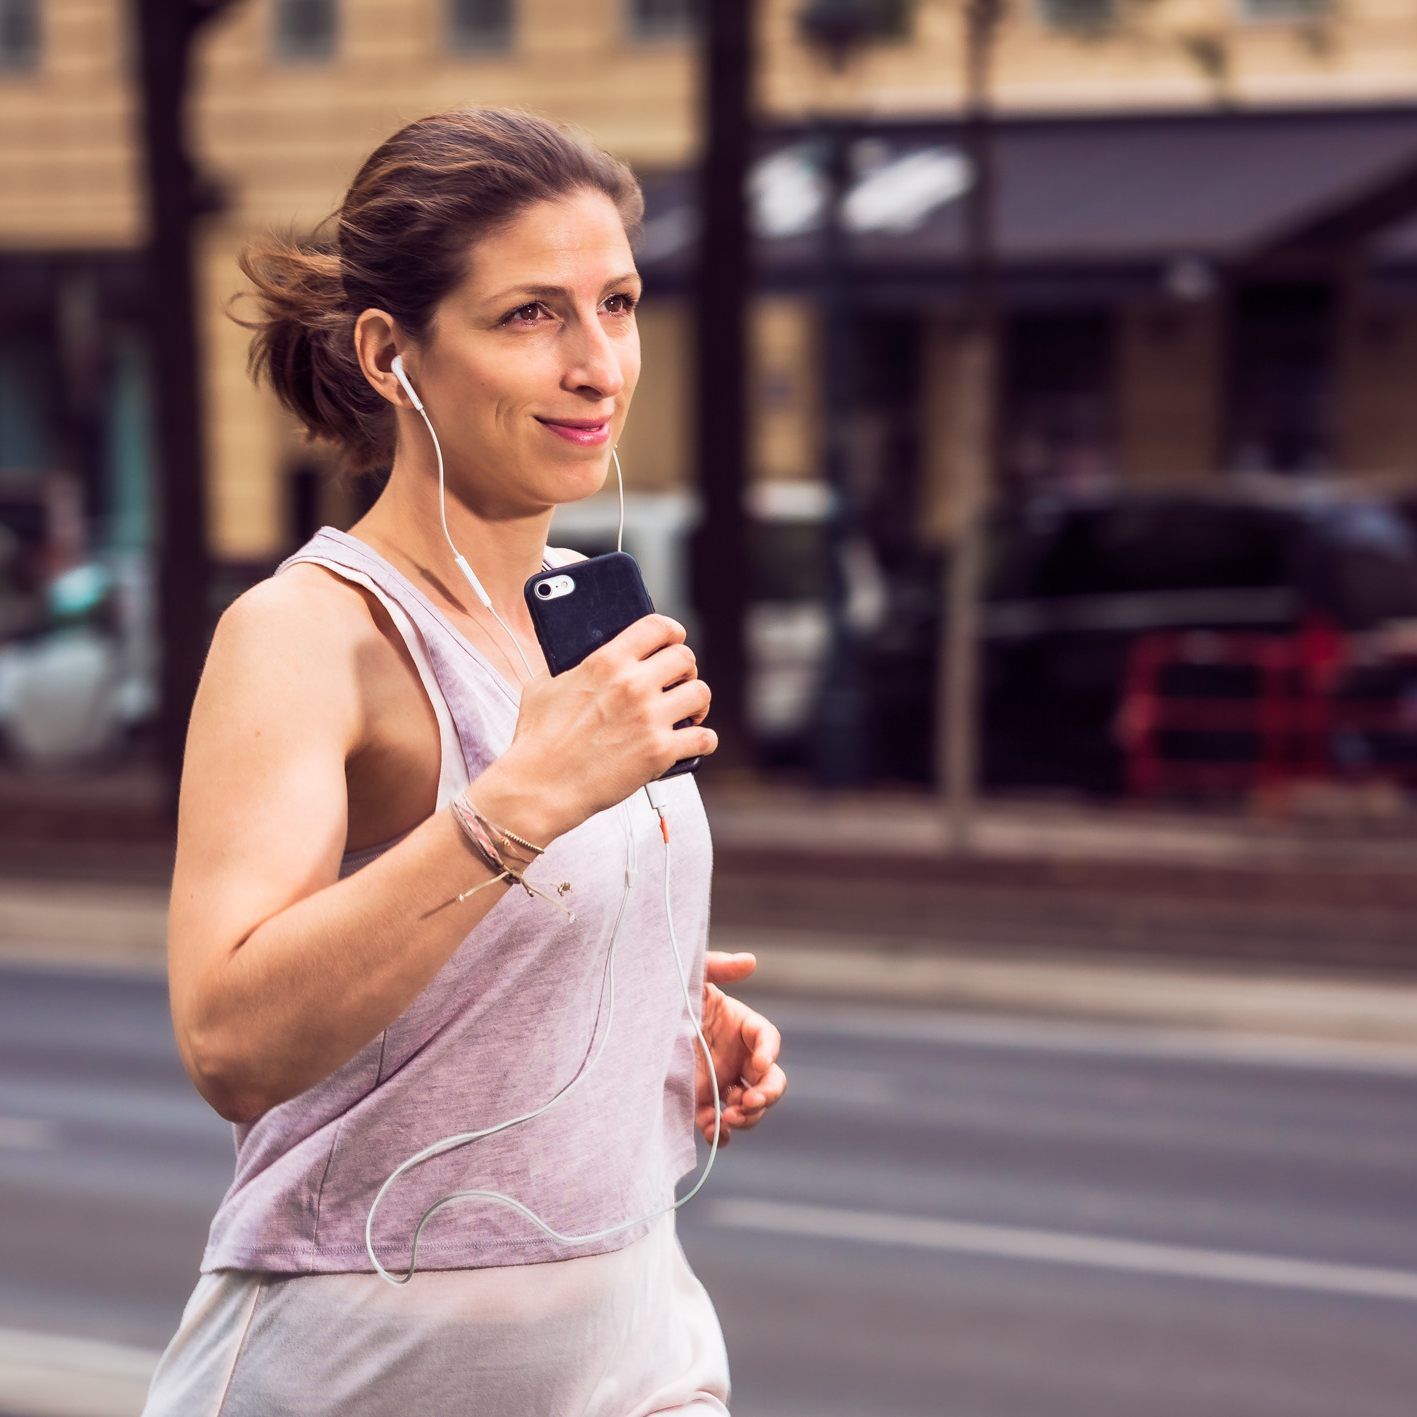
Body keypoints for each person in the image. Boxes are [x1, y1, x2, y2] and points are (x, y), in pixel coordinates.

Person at [143, 106, 787, 1416]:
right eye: (529, 315)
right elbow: (230, 1041)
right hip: (356, 1367)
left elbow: (498, 952)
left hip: (635, 1347)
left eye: (617, 305)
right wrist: (515, 806)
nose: (597, 364)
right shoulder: (308, 632)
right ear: (392, 353)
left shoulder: (591, 617)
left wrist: (658, 1019)